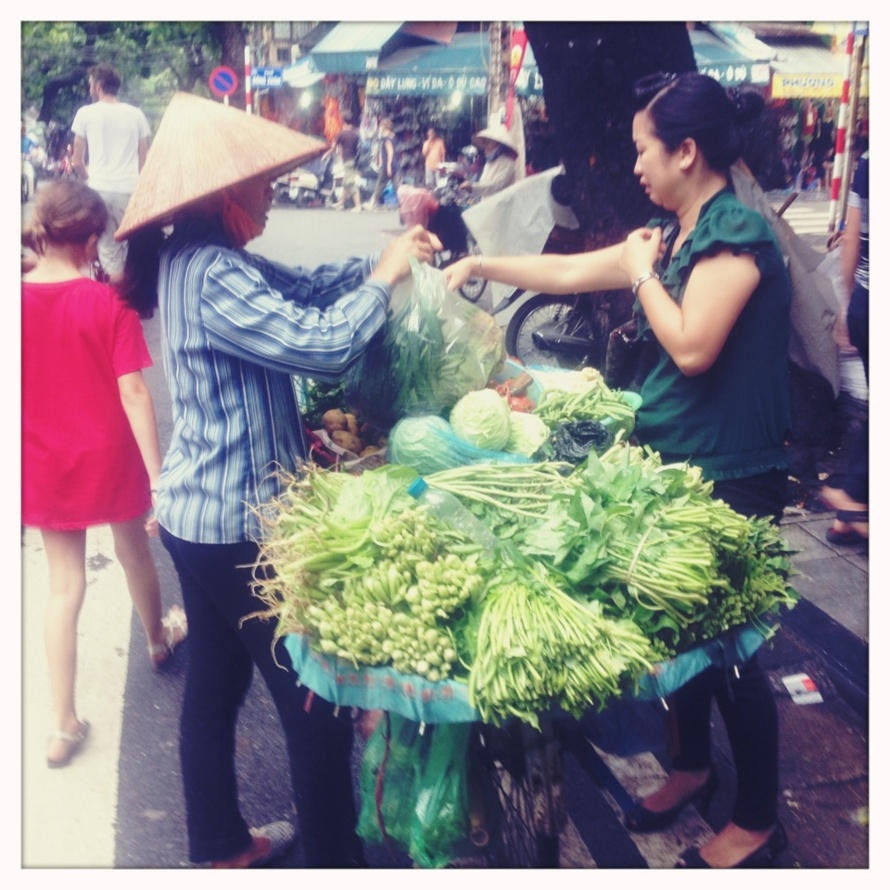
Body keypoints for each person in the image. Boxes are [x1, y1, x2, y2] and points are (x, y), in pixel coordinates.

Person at [445, 71, 791, 869]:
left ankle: (758, 820)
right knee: (683, 633)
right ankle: (692, 766)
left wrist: (639, 273)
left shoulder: (733, 232)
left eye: (644, 151)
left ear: (687, 151)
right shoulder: (672, 233)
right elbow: (572, 272)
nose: (635, 166)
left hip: (733, 472)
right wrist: (481, 266)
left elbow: (695, 345)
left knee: (732, 648)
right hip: (676, 461)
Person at [115, 92, 441, 868]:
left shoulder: (213, 262)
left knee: (217, 688)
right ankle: (333, 865)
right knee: (316, 706)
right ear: (222, 195)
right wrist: (383, 283)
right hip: (237, 529)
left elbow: (301, 286)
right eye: (260, 186)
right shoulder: (210, 275)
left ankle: (221, 844)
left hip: (202, 518)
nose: (271, 195)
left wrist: (379, 262)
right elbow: (322, 346)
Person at [22, 179, 187, 770]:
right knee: (134, 553)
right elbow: (136, 393)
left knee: (63, 587)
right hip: (107, 455)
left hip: (42, 460)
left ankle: (62, 723)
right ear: (93, 241)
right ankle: (156, 640)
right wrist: (160, 478)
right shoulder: (106, 303)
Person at [821, 150, 868, 544]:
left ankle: (849, 513)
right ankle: (852, 498)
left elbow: (851, 239)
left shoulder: (871, 160)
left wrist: (849, 305)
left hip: (868, 302)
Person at [71, 63, 151, 280]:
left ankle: (119, 303)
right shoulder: (136, 115)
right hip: (130, 192)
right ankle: (132, 296)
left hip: (100, 191)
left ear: (98, 87)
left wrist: (87, 179)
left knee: (107, 248)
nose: (89, 89)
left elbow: (77, 161)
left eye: (90, 85)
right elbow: (144, 161)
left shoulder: (85, 114)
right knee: (129, 247)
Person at [459, 124, 519, 199]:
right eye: (485, 143)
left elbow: (496, 186)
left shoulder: (508, 163)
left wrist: (473, 187)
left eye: (489, 142)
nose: (486, 146)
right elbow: (483, 185)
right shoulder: (489, 163)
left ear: (499, 145)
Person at [324, 109, 362, 212]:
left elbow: (333, 148)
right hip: (353, 160)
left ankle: (358, 206)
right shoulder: (355, 134)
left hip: (347, 161)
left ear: (343, 121)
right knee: (346, 182)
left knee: (350, 182)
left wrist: (325, 155)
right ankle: (340, 203)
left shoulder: (341, 134)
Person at [364, 117, 395, 210]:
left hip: (388, 166)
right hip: (390, 165)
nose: (379, 127)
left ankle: (371, 204)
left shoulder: (386, 139)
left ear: (384, 127)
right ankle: (372, 204)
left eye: (381, 126)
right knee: (394, 186)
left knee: (380, 186)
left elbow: (390, 152)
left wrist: (388, 165)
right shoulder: (390, 136)